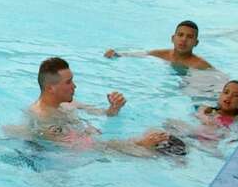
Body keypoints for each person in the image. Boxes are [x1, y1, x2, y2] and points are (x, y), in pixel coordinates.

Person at [25, 57, 175, 153]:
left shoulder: (67, 104)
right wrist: (139, 143)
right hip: (64, 164)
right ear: (51, 88)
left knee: (162, 138)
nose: (75, 86)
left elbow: (104, 114)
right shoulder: (43, 119)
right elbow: (90, 149)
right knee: (152, 152)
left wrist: (113, 108)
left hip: (95, 142)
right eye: (69, 82)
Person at [104, 20, 212, 70]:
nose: (183, 39)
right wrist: (117, 54)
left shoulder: (201, 65)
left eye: (189, 37)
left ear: (196, 43)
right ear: (173, 38)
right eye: (180, 35)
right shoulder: (163, 54)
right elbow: (144, 54)